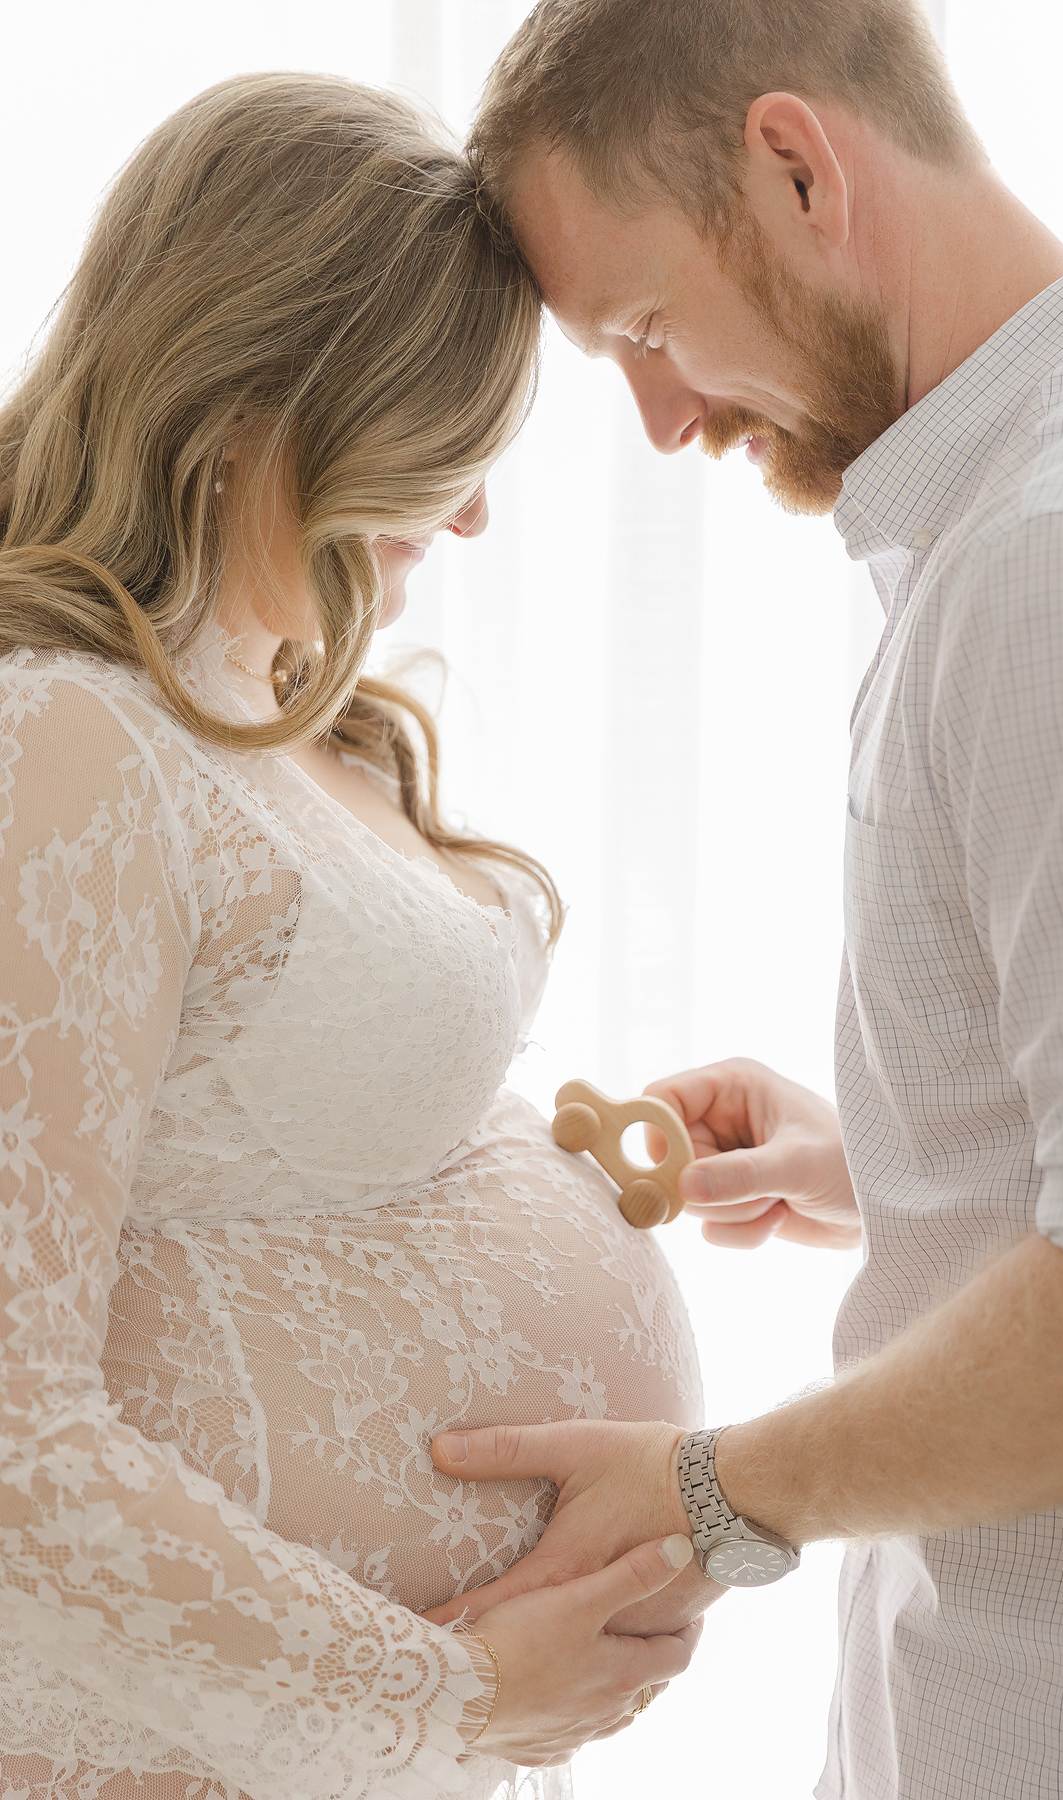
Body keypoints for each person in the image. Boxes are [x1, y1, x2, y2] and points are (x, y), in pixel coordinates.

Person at [423, 2, 1063, 1794]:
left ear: (797, 164)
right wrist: (904, 1161)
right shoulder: (1042, 510)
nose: (665, 416)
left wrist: (714, 1495)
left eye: (643, 328)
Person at [0, 73, 704, 1800]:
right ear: (262, 402)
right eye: (446, 445)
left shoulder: (293, 712)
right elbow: (11, 1435)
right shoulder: (69, 741)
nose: (470, 517)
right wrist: (449, 1692)